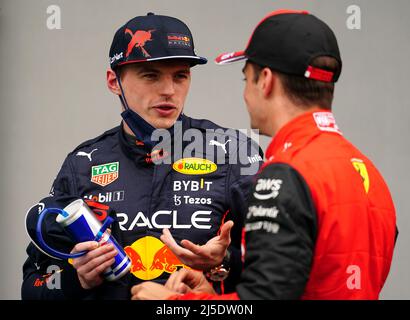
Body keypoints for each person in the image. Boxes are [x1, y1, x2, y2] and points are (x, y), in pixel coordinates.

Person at [131, 9, 397, 300]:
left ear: (266, 80)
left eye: (245, 79)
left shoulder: (287, 173)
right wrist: (222, 265)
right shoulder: (367, 171)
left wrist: (174, 303)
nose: (245, 93)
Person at [22, 13, 262, 300]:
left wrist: (223, 264)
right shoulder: (82, 163)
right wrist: (78, 279)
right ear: (114, 81)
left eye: (180, 75)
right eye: (151, 75)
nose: (169, 90)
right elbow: (33, 285)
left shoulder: (235, 152)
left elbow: (284, 276)